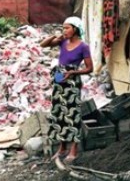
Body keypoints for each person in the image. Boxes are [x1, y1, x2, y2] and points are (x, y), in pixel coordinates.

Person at [40, 16, 94, 164]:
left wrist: (72, 73)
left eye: (67, 28)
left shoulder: (83, 47)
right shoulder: (62, 42)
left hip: (71, 82)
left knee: (72, 114)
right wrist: (55, 36)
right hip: (59, 79)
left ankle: (73, 149)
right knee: (58, 114)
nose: (64, 30)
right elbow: (43, 45)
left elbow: (90, 68)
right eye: (63, 28)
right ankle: (62, 147)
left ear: (75, 29)